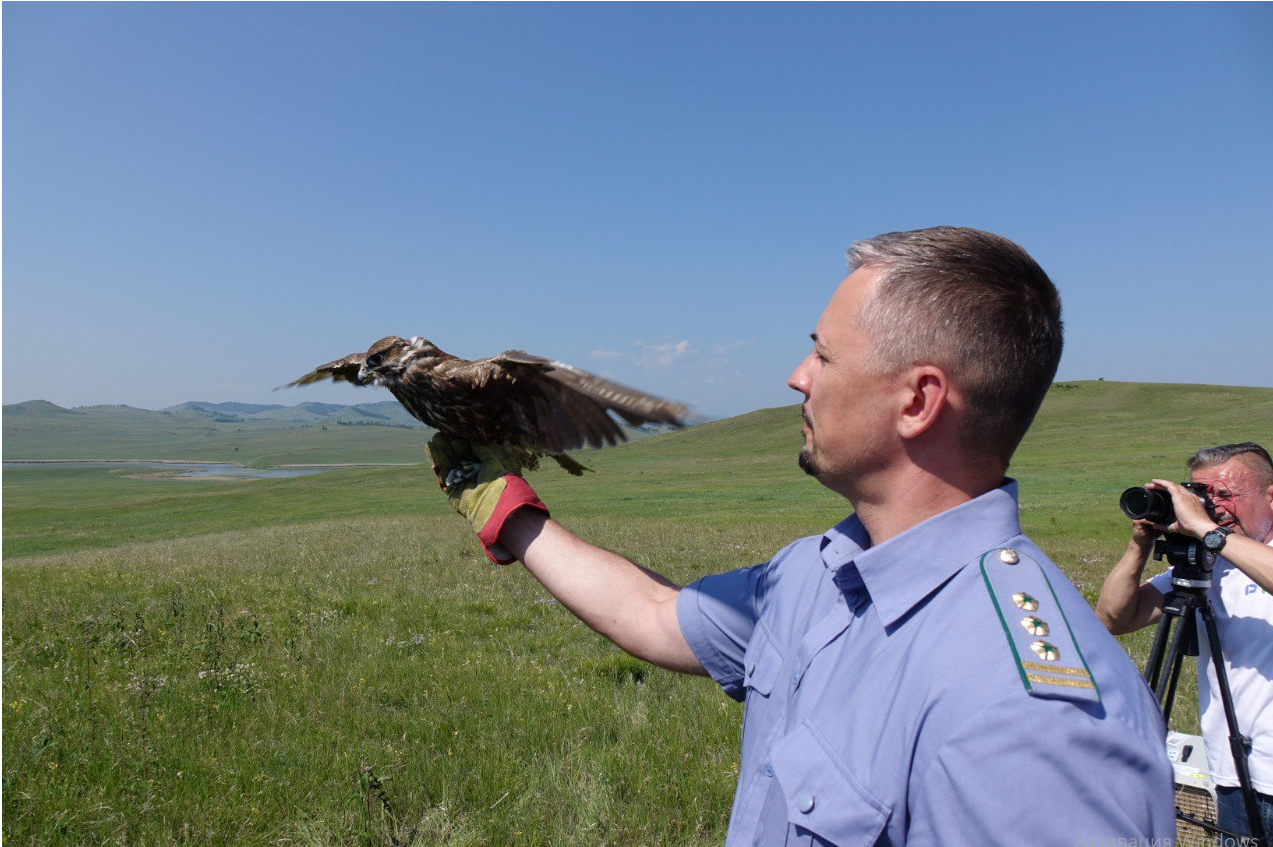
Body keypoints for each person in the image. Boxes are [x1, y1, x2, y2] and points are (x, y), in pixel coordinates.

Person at [429, 226, 1175, 844]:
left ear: (918, 399)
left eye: (821, 353)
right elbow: (654, 615)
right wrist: (507, 512)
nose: (796, 376)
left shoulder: (1029, 716)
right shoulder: (816, 573)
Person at [1097, 442, 1273, 840]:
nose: (1214, 508)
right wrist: (1140, 542)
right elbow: (1114, 618)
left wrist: (1209, 533)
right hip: (1234, 773)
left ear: (1270, 495)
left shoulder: (1223, 546)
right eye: (1201, 496)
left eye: (1225, 495)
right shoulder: (1215, 565)